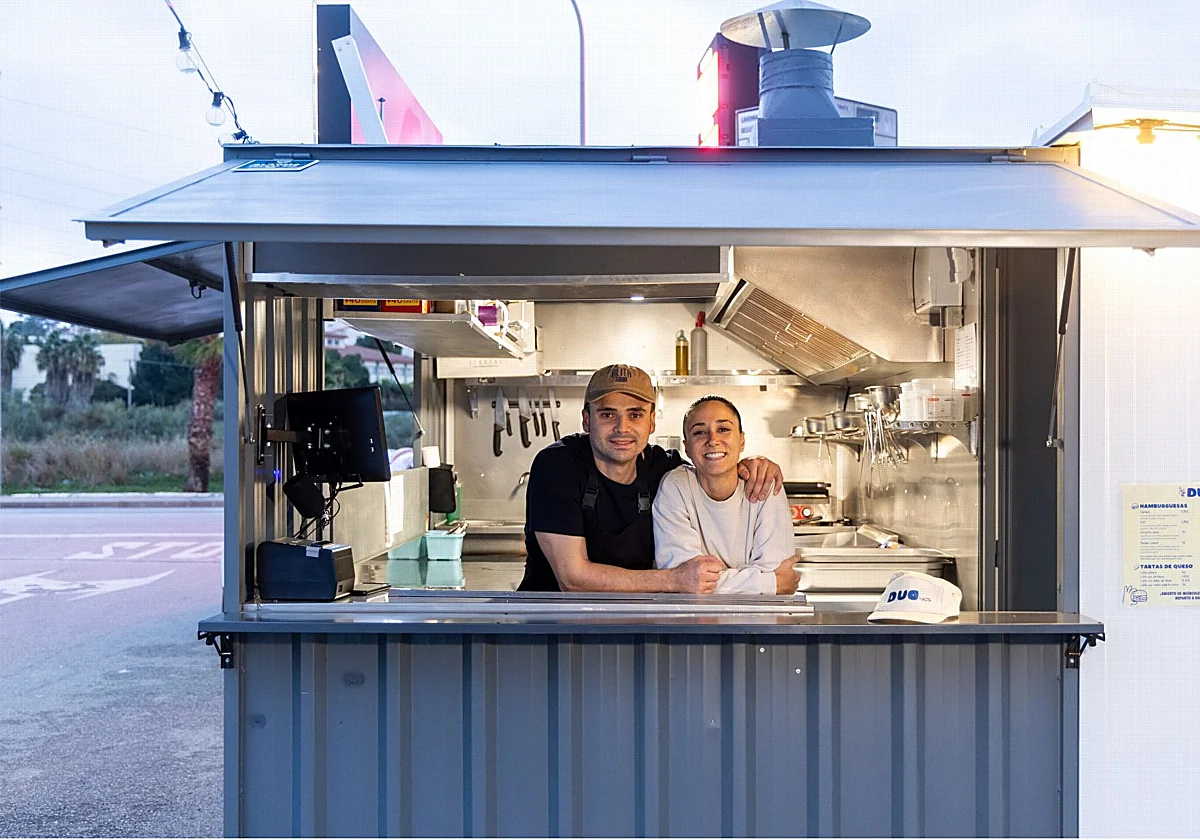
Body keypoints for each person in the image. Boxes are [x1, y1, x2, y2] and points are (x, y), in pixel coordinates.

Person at [518, 364, 785, 593]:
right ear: (587, 421)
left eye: (635, 414)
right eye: (608, 414)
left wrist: (751, 466)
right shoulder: (557, 466)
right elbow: (572, 579)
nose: (622, 428)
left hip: (636, 620)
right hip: (551, 623)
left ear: (652, 422)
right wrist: (675, 579)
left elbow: (711, 467)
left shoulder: (664, 467)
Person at [652, 396, 800, 595]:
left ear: (742, 440)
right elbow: (685, 580)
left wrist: (714, 582)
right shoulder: (675, 486)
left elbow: (776, 571)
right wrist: (766, 584)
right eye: (699, 432)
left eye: (723, 429)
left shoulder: (765, 482)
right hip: (694, 618)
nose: (713, 440)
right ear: (686, 447)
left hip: (760, 616)